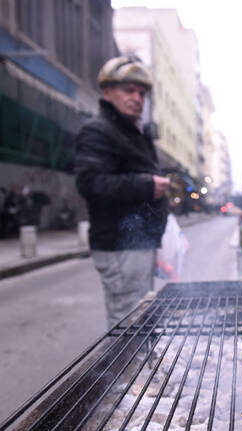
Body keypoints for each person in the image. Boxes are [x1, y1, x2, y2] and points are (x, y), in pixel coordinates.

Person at [75, 56, 170, 329]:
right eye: (128, 90)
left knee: (140, 317)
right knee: (128, 323)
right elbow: (91, 183)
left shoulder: (134, 133)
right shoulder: (98, 131)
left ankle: (141, 370)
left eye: (141, 93)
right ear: (107, 92)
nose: (137, 98)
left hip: (137, 243)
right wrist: (147, 185)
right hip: (119, 246)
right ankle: (130, 373)